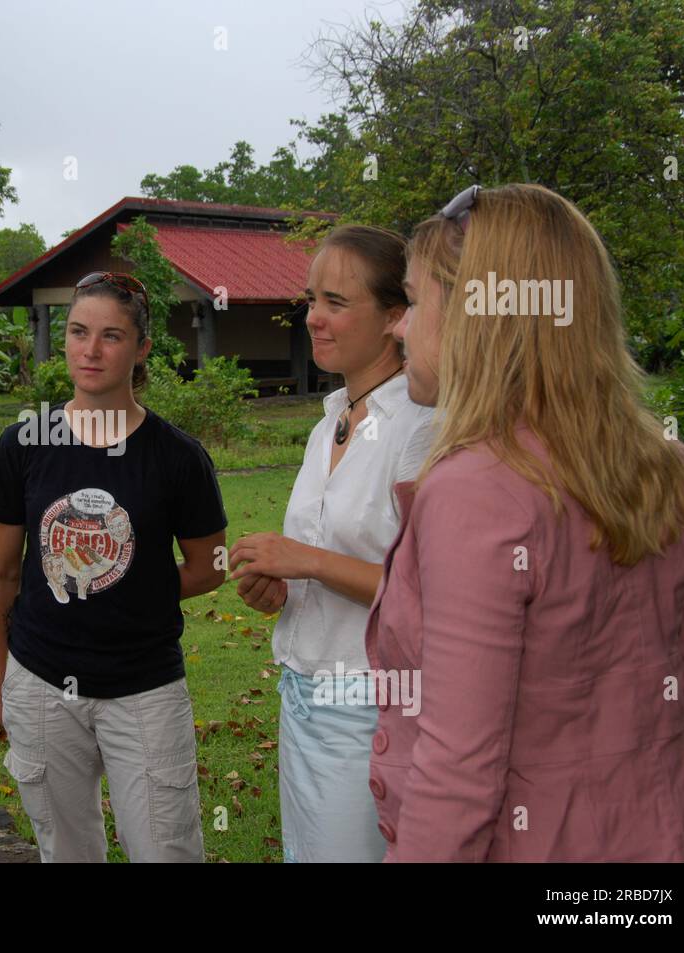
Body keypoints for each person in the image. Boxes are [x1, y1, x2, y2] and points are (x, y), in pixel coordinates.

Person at [368, 182, 684, 860]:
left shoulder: (478, 489)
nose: (398, 326)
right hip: (671, 828)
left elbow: (459, 772)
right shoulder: (665, 463)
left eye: (413, 302)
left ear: (481, 314)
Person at [0, 272, 227, 862]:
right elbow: (1, 573)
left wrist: (132, 590)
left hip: (144, 690)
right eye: (78, 332)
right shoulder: (25, 444)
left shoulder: (177, 456)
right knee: (66, 850)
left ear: (141, 349)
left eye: (111, 336)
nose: (90, 350)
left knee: (165, 848)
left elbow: (210, 564)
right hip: (39, 684)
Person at [228, 225, 435, 862]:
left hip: (375, 702)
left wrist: (309, 560)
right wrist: (280, 589)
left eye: (337, 303)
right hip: (302, 689)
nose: (313, 318)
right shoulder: (331, 422)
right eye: (312, 299)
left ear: (397, 318)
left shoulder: (421, 430)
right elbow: (331, 567)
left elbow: (439, 596)